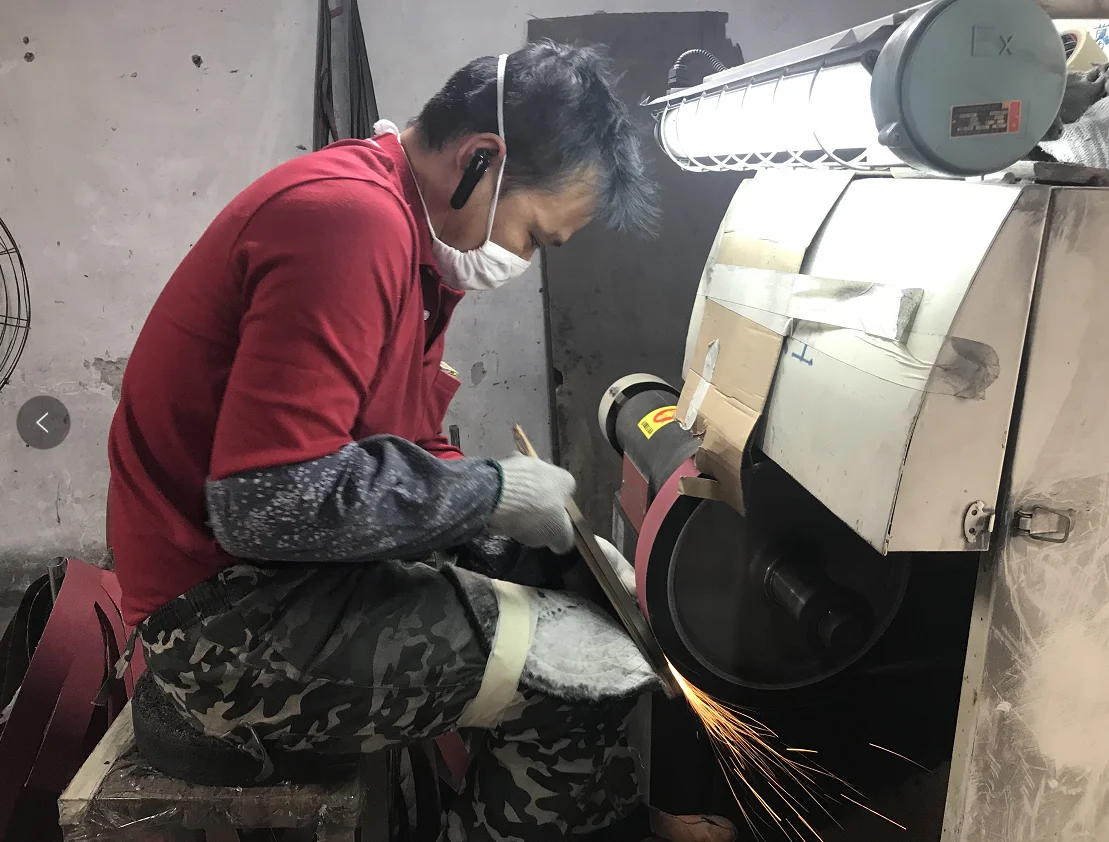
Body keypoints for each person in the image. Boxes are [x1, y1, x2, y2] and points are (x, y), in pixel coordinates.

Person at [107, 41, 734, 842]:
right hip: (221, 623)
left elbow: (397, 448)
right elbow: (264, 505)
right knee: (572, 675)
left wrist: (524, 535)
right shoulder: (351, 222)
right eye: (534, 235)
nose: (522, 258)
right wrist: (490, 494)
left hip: (283, 578)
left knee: (562, 598)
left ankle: (567, 817)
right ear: (480, 159)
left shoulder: (409, 246)